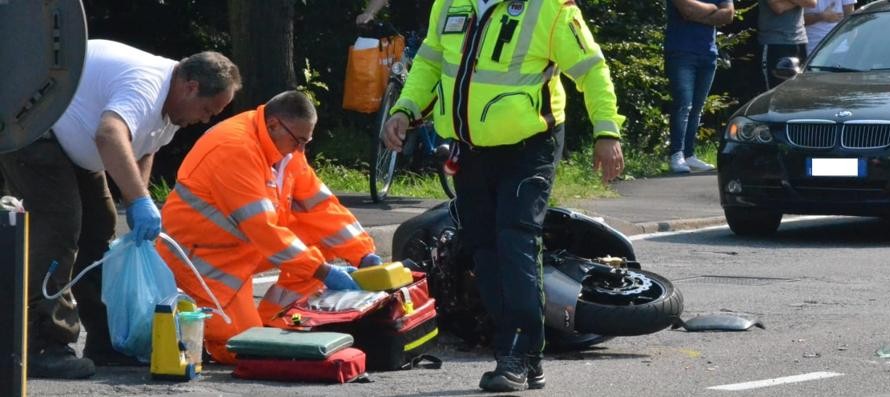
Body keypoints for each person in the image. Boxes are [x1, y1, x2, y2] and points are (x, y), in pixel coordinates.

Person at [382, 0, 625, 392]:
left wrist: (607, 130)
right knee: (484, 248)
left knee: (515, 241)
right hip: (470, 148)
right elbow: (428, 63)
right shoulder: (449, 4)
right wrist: (405, 109)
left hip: (529, 146)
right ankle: (524, 355)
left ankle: (518, 354)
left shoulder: (550, 9)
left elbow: (592, 69)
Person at [0, 39, 240, 379]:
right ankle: (41, 344)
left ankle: (106, 340)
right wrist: (141, 202)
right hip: (32, 123)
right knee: (60, 223)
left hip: (68, 136)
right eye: (208, 111)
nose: (205, 120)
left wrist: (134, 195)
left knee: (101, 224)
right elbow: (110, 134)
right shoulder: (147, 85)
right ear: (191, 86)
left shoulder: (174, 107)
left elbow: (144, 146)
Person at [155, 90, 382, 365]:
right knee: (241, 346)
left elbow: (321, 206)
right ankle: (185, 320)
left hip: (242, 250)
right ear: (274, 124)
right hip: (201, 261)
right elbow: (264, 229)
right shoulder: (235, 149)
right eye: (298, 140)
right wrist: (323, 271)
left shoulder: (284, 149)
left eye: (305, 142)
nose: (300, 150)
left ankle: (275, 323)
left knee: (323, 242)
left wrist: (364, 254)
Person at [665, 0, 735, 173]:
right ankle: (676, 154)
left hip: (708, 53)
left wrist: (700, 14)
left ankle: (689, 154)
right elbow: (686, 9)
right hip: (681, 52)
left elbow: (728, 15)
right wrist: (713, 9)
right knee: (683, 104)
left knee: (697, 107)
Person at [759, 0, 817, 90]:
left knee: (801, 90)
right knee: (775, 92)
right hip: (775, 42)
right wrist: (800, 3)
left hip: (800, 41)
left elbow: (812, 3)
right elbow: (778, 7)